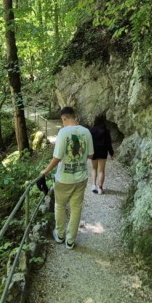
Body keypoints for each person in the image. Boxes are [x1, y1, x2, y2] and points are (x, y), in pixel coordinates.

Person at [39, 106, 93, 250]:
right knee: (76, 208)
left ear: (64, 118)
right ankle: (70, 241)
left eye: (62, 120)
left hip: (64, 178)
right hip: (81, 177)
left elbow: (57, 158)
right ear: (74, 116)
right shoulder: (86, 132)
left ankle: (60, 234)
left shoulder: (63, 132)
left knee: (60, 206)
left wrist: (45, 171)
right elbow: (91, 155)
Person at [89, 114, 114, 194]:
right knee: (101, 171)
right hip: (103, 151)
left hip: (94, 151)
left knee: (94, 169)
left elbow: (89, 142)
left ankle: (93, 185)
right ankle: (100, 188)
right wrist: (111, 153)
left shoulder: (91, 130)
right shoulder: (106, 131)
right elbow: (109, 143)